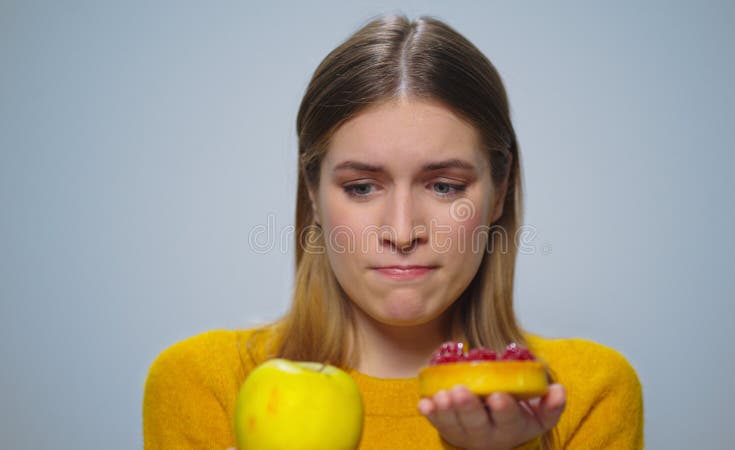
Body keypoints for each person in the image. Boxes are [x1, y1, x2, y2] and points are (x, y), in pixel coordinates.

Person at [143, 14, 644, 450]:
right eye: (362, 187)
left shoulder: (582, 393)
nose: (402, 232)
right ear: (313, 192)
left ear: (500, 187)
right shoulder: (205, 384)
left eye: (445, 186)